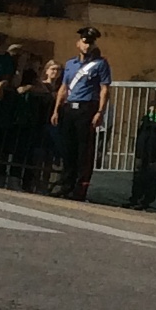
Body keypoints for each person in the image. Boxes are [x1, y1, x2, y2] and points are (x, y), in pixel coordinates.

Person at [53, 27, 111, 201]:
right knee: (67, 149)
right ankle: (66, 185)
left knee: (83, 151)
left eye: (90, 42)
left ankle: (80, 188)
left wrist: (100, 111)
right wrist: (57, 109)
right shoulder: (71, 64)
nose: (87, 46)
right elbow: (63, 88)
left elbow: (104, 89)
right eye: (85, 42)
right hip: (70, 108)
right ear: (79, 43)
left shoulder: (100, 64)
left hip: (87, 108)